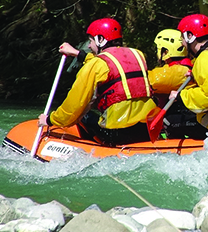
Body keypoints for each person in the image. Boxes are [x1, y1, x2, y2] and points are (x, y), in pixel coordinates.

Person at [38, 18, 158, 146]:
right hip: (146, 130)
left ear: (100, 39)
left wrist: (50, 120)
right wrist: (77, 54)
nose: (89, 46)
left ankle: (89, 148)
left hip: (116, 134)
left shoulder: (96, 65)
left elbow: (74, 107)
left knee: (84, 114)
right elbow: (110, 65)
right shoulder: (137, 55)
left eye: (91, 41)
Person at [147, 29, 207, 139]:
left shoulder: (177, 71)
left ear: (165, 51)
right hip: (193, 118)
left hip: (187, 120)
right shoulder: (189, 65)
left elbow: (147, 81)